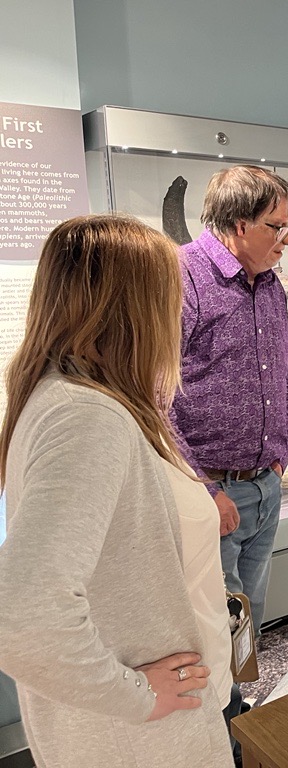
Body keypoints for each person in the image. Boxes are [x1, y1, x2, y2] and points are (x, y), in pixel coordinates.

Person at [0, 214, 234, 767]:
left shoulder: (71, 398)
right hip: (143, 741)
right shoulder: (87, 416)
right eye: (170, 298)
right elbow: (21, 613)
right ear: (137, 308)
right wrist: (135, 695)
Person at [169, 165, 288, 741]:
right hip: (213, 494)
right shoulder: (182, 277)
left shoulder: (268, 282)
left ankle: (235, 712)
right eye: (278, 226)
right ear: (239, 223)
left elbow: (286, 372)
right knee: (212, 622)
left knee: (246, 619)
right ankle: (217, 729)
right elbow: (155, 395)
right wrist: (206, 490)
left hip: (264, 484)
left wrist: (281, 452)